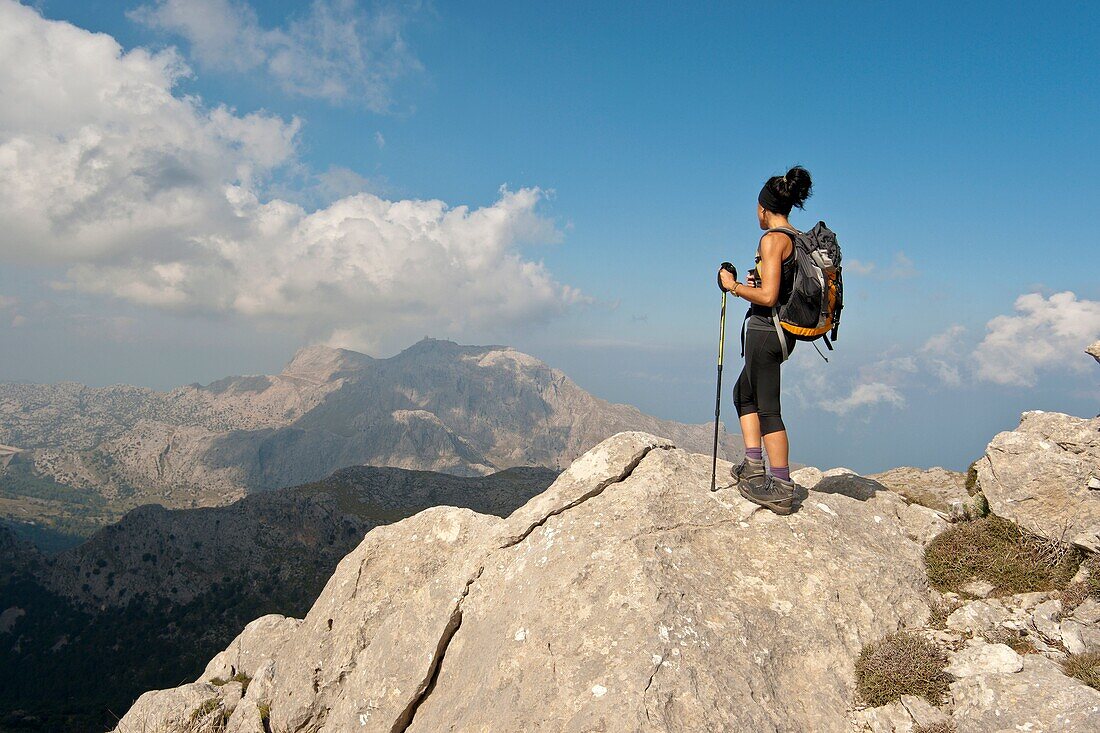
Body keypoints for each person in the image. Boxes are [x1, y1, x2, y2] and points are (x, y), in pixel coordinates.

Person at [715, 166, 813, 514]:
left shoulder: (772, 240)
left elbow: (770, 296)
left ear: (763, 208)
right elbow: (781, 288)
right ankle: (754, 465)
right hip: (781, 332)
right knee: (744, 393)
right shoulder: (797, 239)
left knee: (768, 409)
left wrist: (734, 287)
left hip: (766, 332)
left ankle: (782, 486)